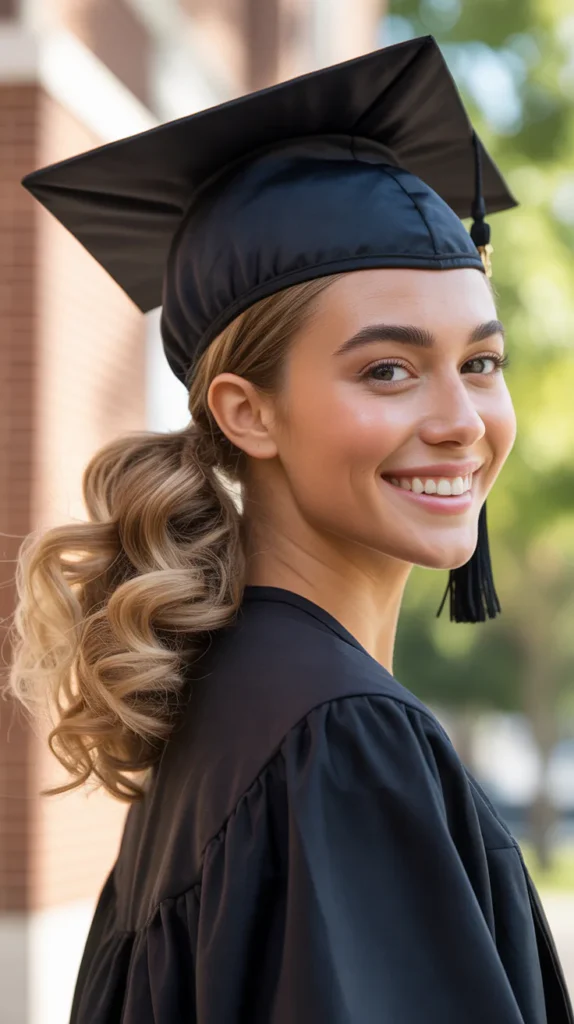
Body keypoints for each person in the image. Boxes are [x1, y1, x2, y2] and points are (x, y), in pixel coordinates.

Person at [8, 35, 573, 1024]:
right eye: (387, 369)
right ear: (245, 411)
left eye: (479, 362)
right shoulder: (338, 739)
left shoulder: (229, 706)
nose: (458, 418)